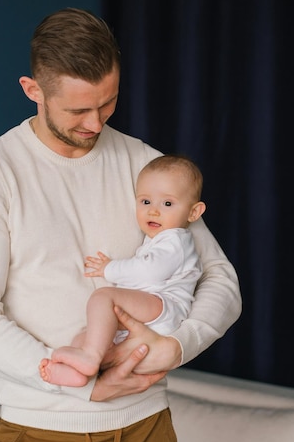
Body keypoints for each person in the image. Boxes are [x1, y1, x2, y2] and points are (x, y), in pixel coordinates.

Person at [0, 8, 241, 442]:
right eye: (79, 109)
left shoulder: (145, 163)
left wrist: (178, 346)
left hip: (144, 437)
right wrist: (81, 387)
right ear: (33, 89)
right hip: (40, 441)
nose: (96, 123)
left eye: (108, 102)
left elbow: (220, 277)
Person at [40, 154, 206, 387]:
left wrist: (110, 268)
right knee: (86, 336)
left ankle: (90, 357)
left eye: (167, 203)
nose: (153, 211)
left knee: (103, 297)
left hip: (164, 304)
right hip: (150, 313)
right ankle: (83, 372)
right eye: (145, 202)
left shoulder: (175, 240)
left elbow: (150, 272)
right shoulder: (159, 238)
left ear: (194, 212)